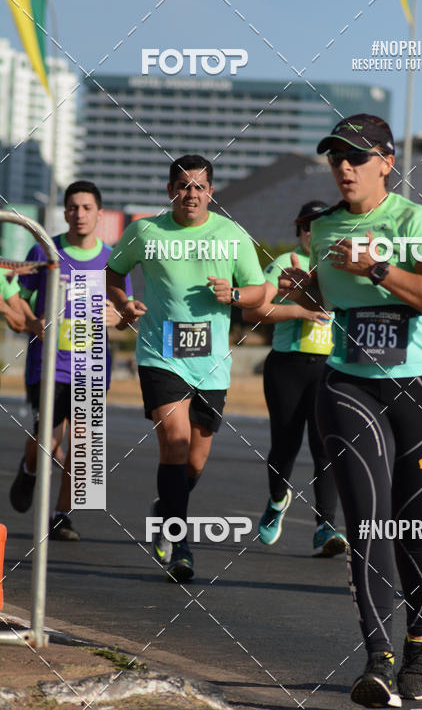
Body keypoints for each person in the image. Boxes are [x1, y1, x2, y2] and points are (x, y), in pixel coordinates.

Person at [279, 114, 422, 707]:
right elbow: (326, 295)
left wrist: (378, 269)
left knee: (414, 524)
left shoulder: (414, 221)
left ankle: (419, 642)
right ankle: (377, 659)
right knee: (367, 520)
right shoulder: (325, 227)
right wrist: (302, 290)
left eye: (357, 157)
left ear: (386, 162)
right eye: (335, 157)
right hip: (350, 385)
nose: (344, 167)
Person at [106, 154, 266, 583]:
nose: (190, 193)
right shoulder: (145, 232)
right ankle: (180, 545)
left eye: (199, 186)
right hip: (161, 356)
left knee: (195, 460)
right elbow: (112, 273)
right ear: (170, 190)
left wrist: (234, 294)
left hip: (211, 364)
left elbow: (259, 290)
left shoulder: (231, 235)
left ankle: (165, 509)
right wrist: (124, 303)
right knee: (174, 443)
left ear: (211, 192)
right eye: (183, 185)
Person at [9, 180, 132, 541]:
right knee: (48, 441)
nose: (79, 214)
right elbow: (18, 297)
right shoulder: (44, 251)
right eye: (73, 208)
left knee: (83, 444)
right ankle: (30, 468)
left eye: (87, 208)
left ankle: (61, 516)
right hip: (47, 364)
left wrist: (119, 316)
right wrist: (32, 322)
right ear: (64, 212)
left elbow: (125, 313)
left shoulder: (113, 260)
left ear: (99, 213)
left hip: (91, 367)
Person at [242, 201, 346, 557]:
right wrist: (300, 310)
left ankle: (325, 526)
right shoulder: (286, 263)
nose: (312, 234)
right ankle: (276, 500)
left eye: (320, 226)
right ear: (299, 232)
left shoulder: (341, 262)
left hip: (331, 368)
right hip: (287, 367)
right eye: (306, 227)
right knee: (285, 445)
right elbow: (254, 310)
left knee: (326, 447)